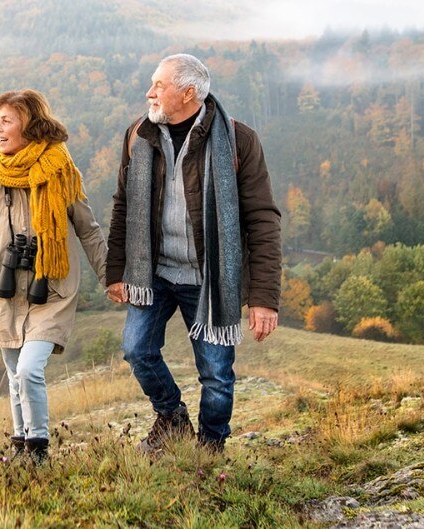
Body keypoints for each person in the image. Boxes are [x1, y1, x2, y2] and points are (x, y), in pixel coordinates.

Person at [105, 54, 282, 454]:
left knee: (216, 375)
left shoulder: (238, 141)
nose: (149, 93)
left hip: (210, 278)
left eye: (159, 86)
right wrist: (117, 271)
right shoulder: (139, 134)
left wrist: (263, 299)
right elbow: (123, 205)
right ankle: (171, 418)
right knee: (137, 350)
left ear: (188, 94)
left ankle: (210, 448)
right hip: (155, 272)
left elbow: (263, 220)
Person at [0, 89, 107, 462]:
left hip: (51, 290)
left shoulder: (61, 174)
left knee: (28, 370)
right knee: (13, 375)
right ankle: (21, 442)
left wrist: (111, 278)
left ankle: (38, 448)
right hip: (2, 291)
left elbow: (88, 230)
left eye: (6, 120)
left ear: (30, 125)